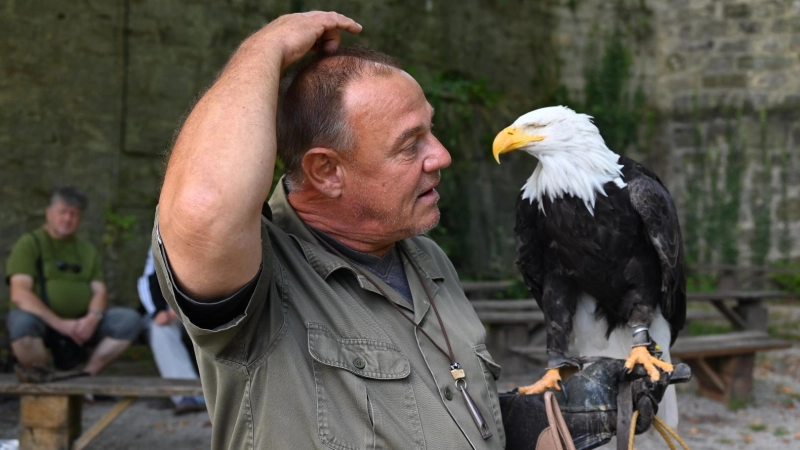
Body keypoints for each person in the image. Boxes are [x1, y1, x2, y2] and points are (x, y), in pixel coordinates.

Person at [152, 12, 673, 449]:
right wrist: (262, 50)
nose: (441, 155)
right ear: (326, 171)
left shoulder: (427, 260)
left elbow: (445, 413)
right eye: (410, 144)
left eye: (432, 129)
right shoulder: (259, 282)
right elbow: (204, 209)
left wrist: (553, 420)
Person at [6, 186, 142, 377]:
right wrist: (60, 323)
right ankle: (45, 379)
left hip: (82, 323)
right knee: (21, 324)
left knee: (129, 320)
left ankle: (85, 376)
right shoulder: (30, 244)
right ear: (48, 213)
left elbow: (99, 291)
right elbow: (20, 294)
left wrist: (92, 318)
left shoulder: (87, 249)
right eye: (62, 212)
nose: (67, 219)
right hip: (43, 321)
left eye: (74, 214)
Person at [138, 246, 206, 414]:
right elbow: (148, 278)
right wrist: (158, 311)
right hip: (172, 311)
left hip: (211, 307)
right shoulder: (161, 236)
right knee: (160, 328)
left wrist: (189, 307)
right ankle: (187, 394)